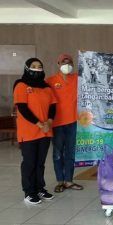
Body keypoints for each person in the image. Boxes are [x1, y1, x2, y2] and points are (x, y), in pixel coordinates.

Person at [13, 58, 56, 204]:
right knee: (30, 162)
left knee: (40, 162)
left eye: (40, 67)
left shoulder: (47, 87)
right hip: (29, 131)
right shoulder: (21, 85)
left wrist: (49, 122)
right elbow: (23, 108)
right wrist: (39, 124)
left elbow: (53, 106)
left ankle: (39, 188)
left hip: (45, 131)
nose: (37, 69)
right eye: (33, 66)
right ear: (27, 68)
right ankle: (29, 192)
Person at [46, 54, 83, 193]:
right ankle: (60, 181)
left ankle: (69, 180)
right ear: (58, 63)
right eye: (63, 62)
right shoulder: (50, 81)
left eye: (69, 62)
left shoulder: (77, 79)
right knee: (57, 153)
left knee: (70, 153)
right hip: (56, 123)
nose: (66, 65)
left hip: (73, 122)